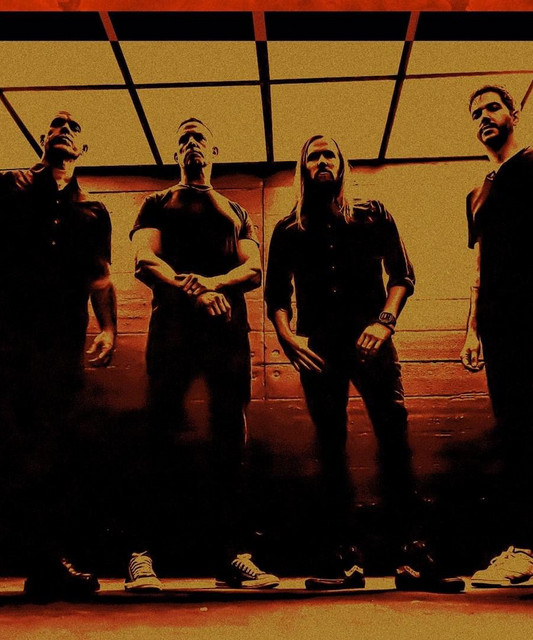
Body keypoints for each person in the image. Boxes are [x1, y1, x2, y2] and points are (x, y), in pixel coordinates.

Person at [265, 134, 464, 592]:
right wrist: (287, 338)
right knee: (331, 449)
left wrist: (385, 323)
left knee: (395, 442)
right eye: (313, 156)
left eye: (328, 154)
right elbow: (276, 295)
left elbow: (402, 275)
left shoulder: (373, 214)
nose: (321, 161)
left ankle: (414, 561)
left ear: (341, 164)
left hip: (373, 341)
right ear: (303, 168)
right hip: (320, 348)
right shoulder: (288, 229)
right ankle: (344, 564)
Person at [128, 117, 279, 590]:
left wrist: (212, 284)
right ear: (176, 154)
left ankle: (232, 557)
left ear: (214, 152)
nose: (192, 143)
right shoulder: (157, 202)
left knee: (231, 438)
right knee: (159, 433)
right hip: (172, 330)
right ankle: (141, 555)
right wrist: (194, 293)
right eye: (184, 139)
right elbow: (144, 260)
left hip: (226, 332)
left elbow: (254, 269)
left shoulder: (236, 211)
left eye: (200, 138)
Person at [0, 110, 117, 598]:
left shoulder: (93, 211)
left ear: (83, 149)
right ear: (43, 139)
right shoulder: (9, 185)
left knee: (50, 451)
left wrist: (109, 328)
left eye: (73, 127)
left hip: (60, 349)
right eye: (56, 125)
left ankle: (47, 565)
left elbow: (101, 277)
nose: (64, 130)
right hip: (8, 342)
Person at [461, 85, 533, 587]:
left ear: (515, 113)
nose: (484, 116)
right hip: (500, 326)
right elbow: (481, 262)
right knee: (517, 432)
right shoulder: (477, 193)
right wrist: (472, 329)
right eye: (476, 113)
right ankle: (525, 547)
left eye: (492, 108)